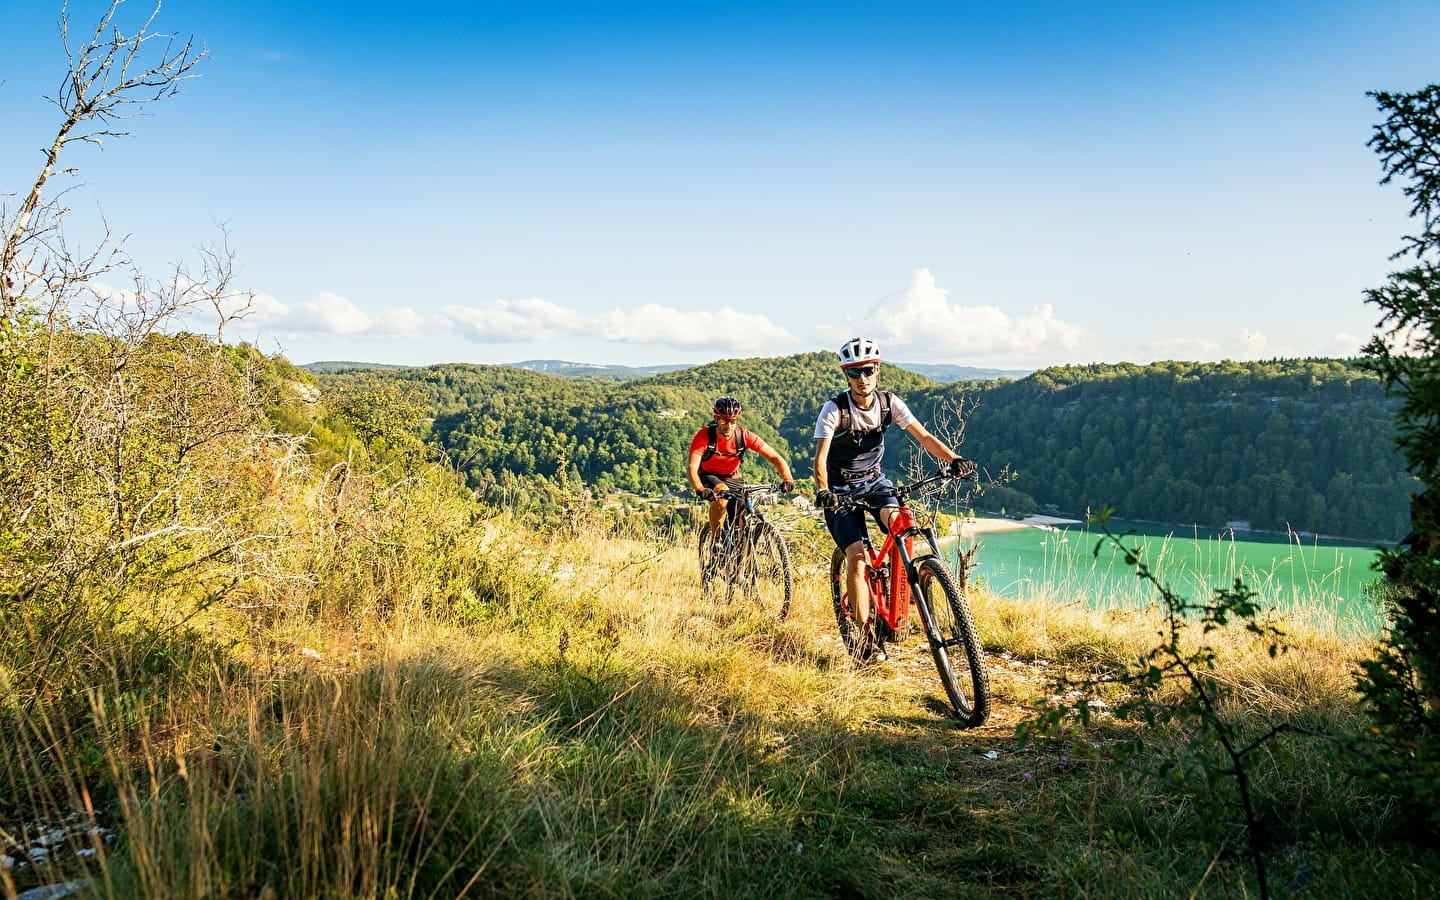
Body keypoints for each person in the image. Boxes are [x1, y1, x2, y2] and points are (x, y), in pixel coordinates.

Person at [813, 337, 975, 660]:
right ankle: (864, 639)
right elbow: (820, 460)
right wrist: (823, 491)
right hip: (840, 491)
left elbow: (924, 437)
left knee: (903, 524)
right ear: (847, 375)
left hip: (875, 484)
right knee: (857, 558)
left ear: (878, 370)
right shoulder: (834, 411)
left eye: (868, 371)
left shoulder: (889, 404)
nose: (863, 379)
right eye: (855, 372)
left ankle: (900, 598)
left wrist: (953, 459)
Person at [687, 395, 795, 539]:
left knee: (740, 519)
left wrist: (787, 479)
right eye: (723, 420)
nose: (728, 425)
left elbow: (775, 457)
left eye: (732, 421)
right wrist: (700, 489)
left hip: (733, 476)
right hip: (708, 474)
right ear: (716, 418)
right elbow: (692, 467)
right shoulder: (704, 436)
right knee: (721, 494)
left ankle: (739, 553)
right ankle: (716, 539)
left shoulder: (744, 436)